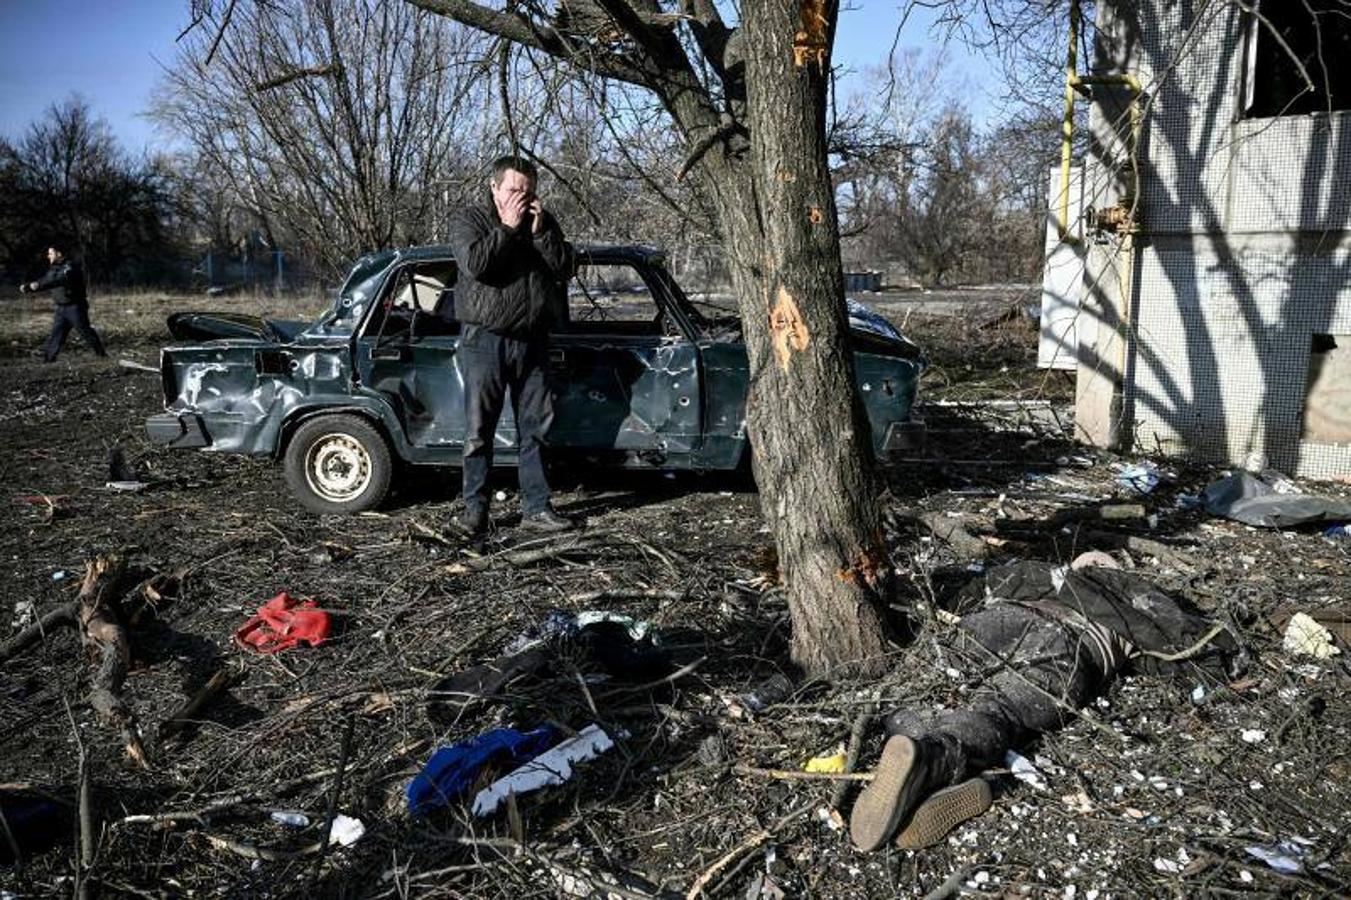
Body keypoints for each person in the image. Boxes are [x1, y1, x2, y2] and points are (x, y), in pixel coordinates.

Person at [849, 559, 1241, 852]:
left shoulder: (1044, 575)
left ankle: (914, 746)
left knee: (936, 673)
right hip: (1071, 642)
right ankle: (939, 759)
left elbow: (976, 591)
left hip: (1007, 616)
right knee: (1000, 705)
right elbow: (1181, 640)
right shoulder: (1128, 596)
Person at [447, 156, 576, 537]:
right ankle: (475, 512)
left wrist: (540, 233)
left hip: (533, 340)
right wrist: (506, 227)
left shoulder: (542, 222)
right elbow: (476, 265)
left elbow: (566, 267)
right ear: (494, 188)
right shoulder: (470, 219)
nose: (522, 197)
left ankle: (536, 509)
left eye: (528, 190)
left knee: (536, 427)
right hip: (485, 340)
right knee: (478, 430)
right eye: (514, 190)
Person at [19, 244, 107, 363]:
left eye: (51, 253)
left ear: (59, 254)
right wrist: (29, 287)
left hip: (75, 308)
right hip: (61, 309)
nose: (48, 256)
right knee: (57, 334)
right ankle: (48, 361)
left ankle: (101, 355)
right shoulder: (54, 268)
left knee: (85, 332)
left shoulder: (70, 267)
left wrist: (38, 285)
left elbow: (58, 280)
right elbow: (46, 280)